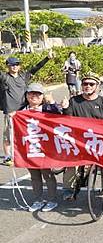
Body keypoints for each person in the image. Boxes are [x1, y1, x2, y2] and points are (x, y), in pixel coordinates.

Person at [61, 72, 103, 209]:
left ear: (97, 86)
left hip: (100, 141)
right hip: (81, 141)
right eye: (85, 83)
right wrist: (65, 108)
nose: (88, 86)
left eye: (91, 84)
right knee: (72, 164)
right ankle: (68, 190)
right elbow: (68, 119)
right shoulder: (74, 101)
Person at [0, 51, 53, 161]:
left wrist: (47, 58)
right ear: (8, 66)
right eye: (12, 64)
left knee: (26, 133)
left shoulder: (23, 76)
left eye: (17, 64)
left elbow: (35, 68)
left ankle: (23, 152)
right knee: (8, 135)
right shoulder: (4, 77)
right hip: (10, 112)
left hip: (24, 111)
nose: (15, 66)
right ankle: (7, 156)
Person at [20, 83, 61, 212]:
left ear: (42, 96)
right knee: (34, 176)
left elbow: (61, 116)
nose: (34, 96)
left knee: (47, 174)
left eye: (38, 94)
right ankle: (38, 200)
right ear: (26, 95)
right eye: (31, 93)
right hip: (29, 148)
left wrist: (53, 102)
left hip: (45, 149)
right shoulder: (21, 110)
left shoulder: (48, 109)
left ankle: (52, 200)